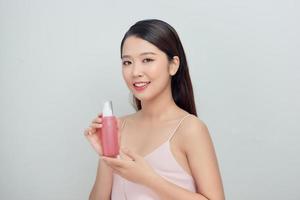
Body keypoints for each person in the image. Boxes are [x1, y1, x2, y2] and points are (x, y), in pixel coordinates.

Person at [84, 19, 225, 200]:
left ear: (173, 65)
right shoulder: (120, 127)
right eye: (127, 62)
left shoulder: (189, 128)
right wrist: (107, 155)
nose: (135, 72)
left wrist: (148, 179)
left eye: (147, 60)